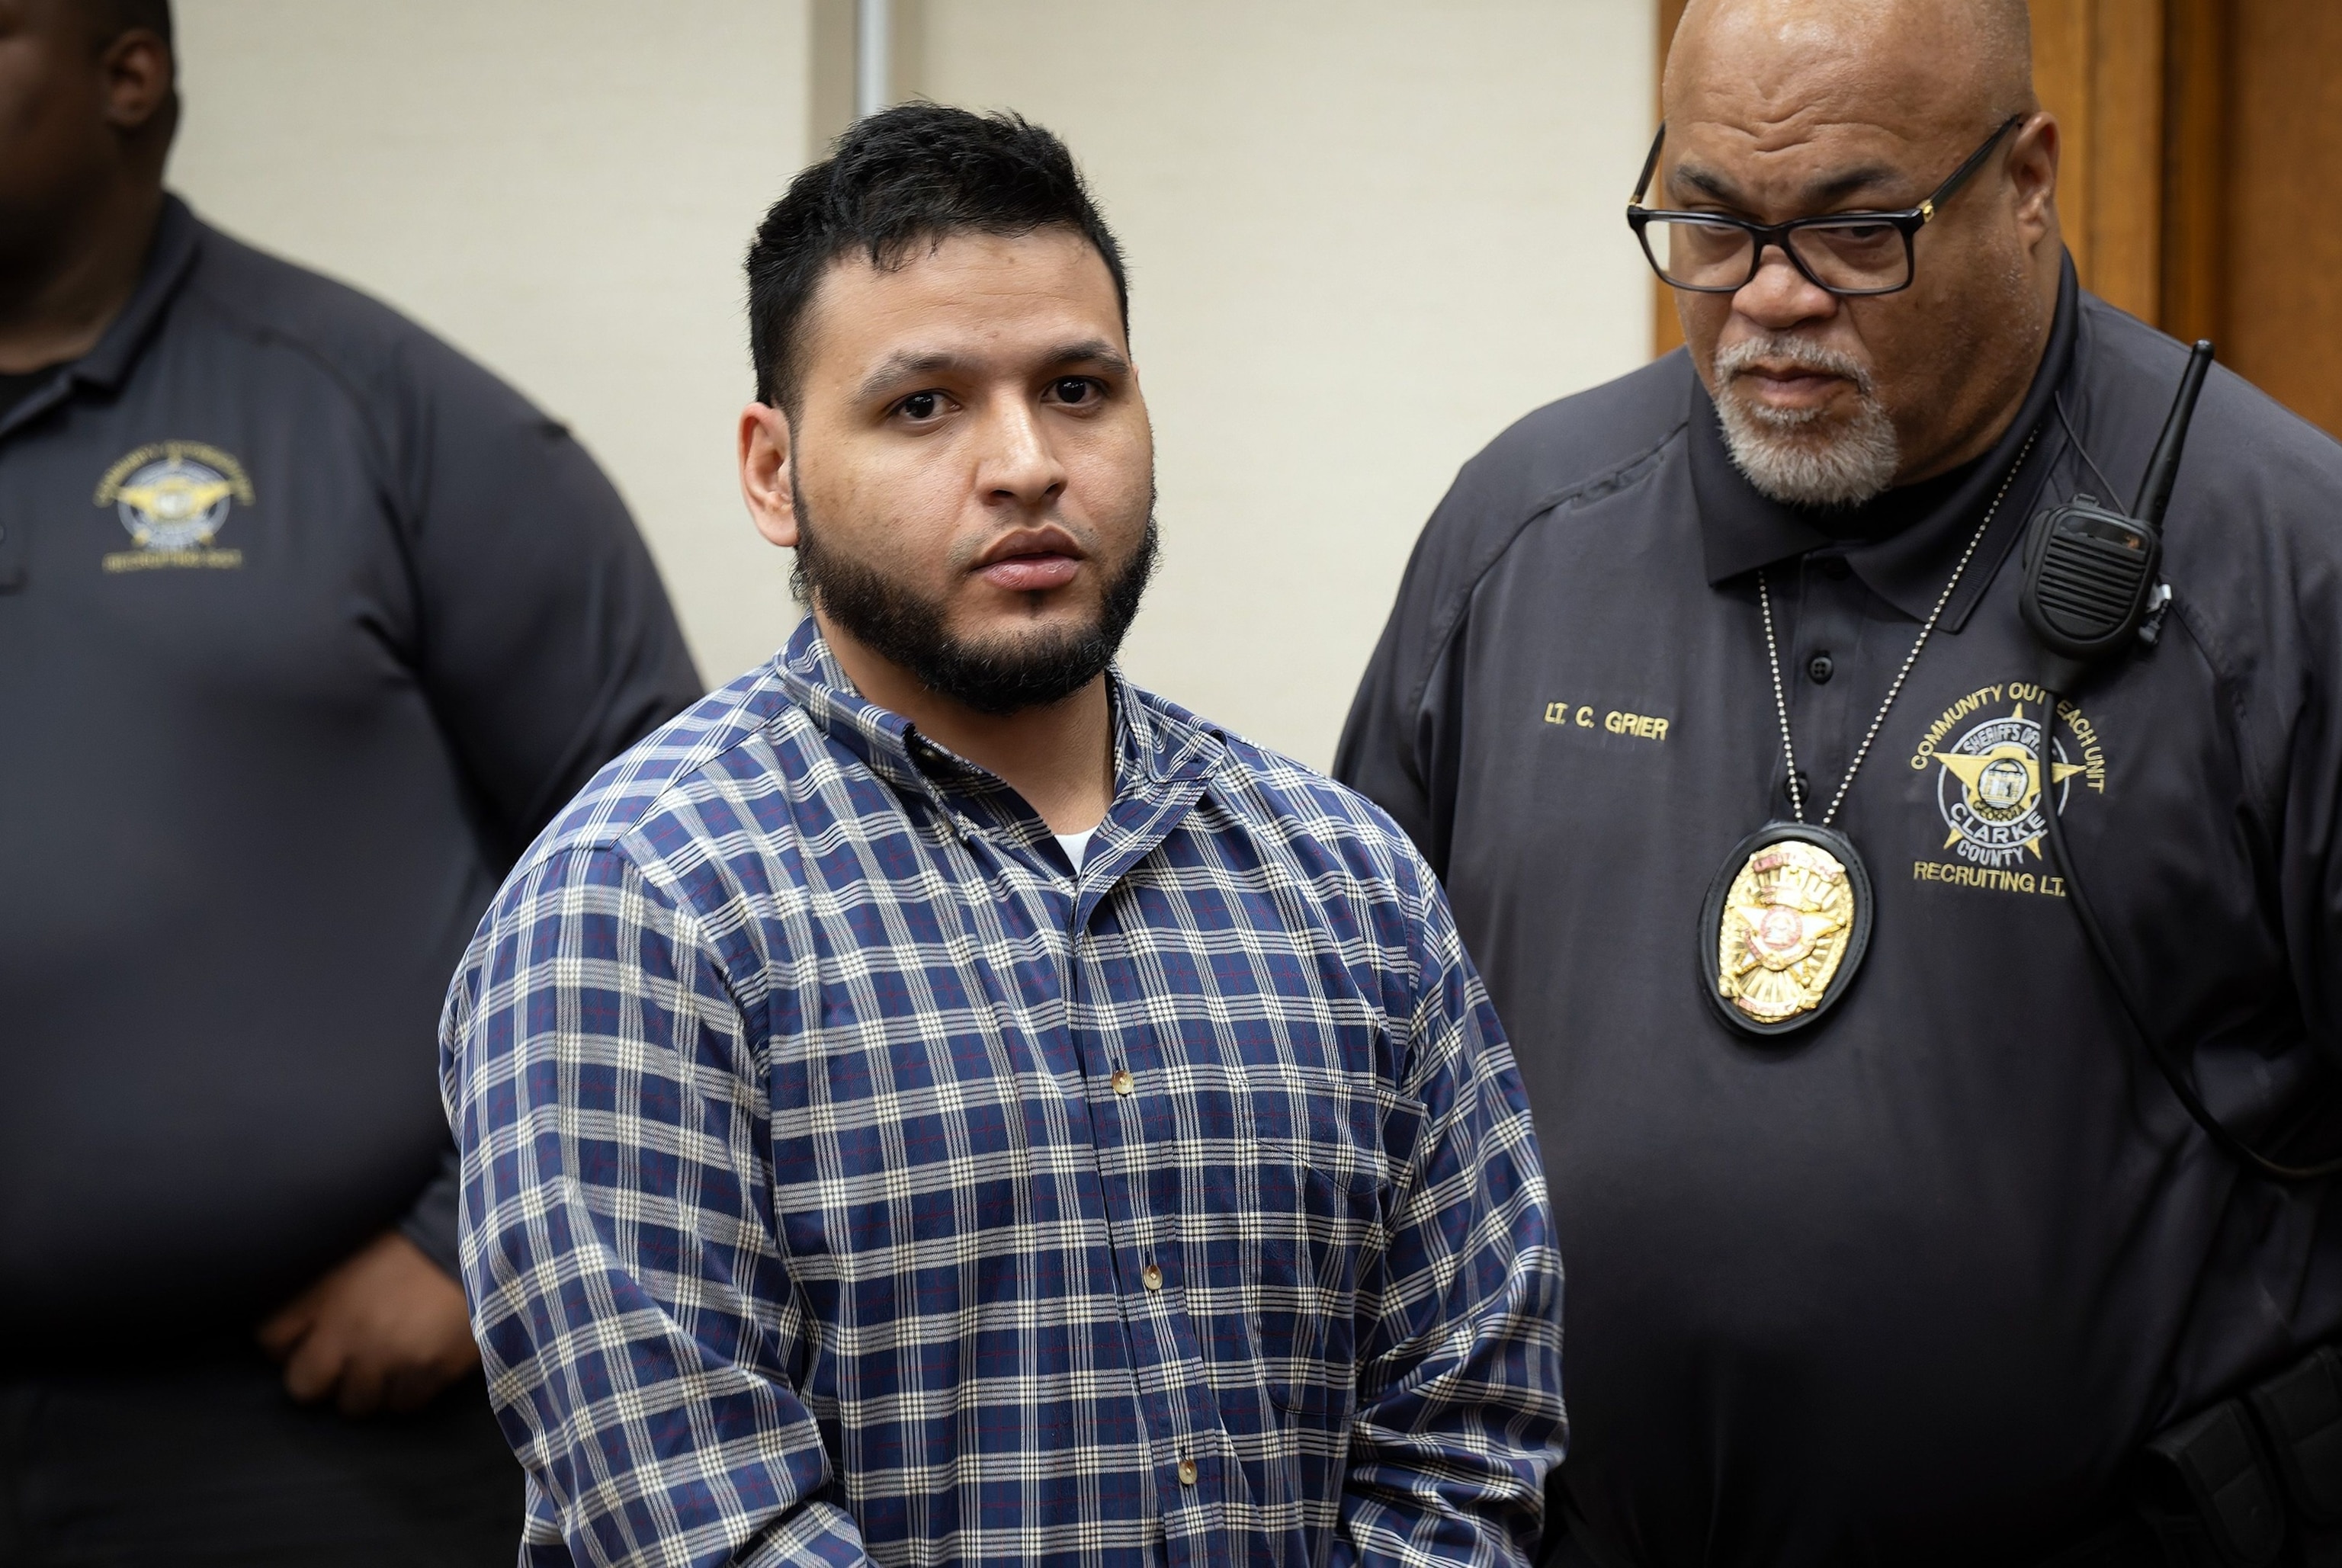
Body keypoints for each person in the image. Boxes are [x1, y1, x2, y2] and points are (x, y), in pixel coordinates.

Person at [440, 102, 1564, 1568]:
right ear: (774, 470)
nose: (1027, 462)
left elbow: (1469, 1430)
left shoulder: (1343, 878)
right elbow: (697, 1521)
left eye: (1078, 388)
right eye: (925, 405)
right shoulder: (636, 907)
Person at [1336, 0, 2342, 1562]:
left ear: (2027, 181)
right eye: (1713, 226)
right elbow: (1361, 1096)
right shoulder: (1518, 532)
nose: (1772, 301)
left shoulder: (2287, 565)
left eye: (1854, 231)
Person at [0, 2, 703, 1562]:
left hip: (298, 1445)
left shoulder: (378, 413)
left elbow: (670, 881)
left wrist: (472, 1245)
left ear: (129, 73)